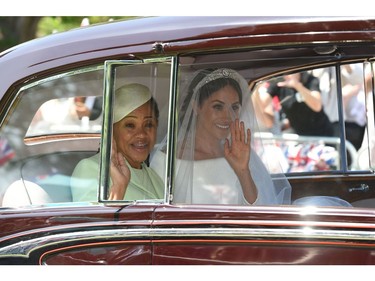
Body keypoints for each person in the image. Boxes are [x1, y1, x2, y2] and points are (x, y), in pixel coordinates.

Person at [151, 68, 292, 205]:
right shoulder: (166, 160)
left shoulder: (241, 155)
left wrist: (243, 172)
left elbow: (259, 212)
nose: (228, 116)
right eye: (218, 107)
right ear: (196, 106)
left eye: (234, 107)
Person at [71, 83, 164, 201]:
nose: (141, 134)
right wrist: (119, 187)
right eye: (130, 125)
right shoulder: (91, 168)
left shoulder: (154, 177)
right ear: (111, 131)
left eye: (149, 125)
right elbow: (92, 219)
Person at [263, 72, 334, 137]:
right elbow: (264, 101)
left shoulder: (310, 80)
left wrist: (297, 86)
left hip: (322, 134)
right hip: (301, 136)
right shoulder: (279, 82)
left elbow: (317, 106)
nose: (287, 73)